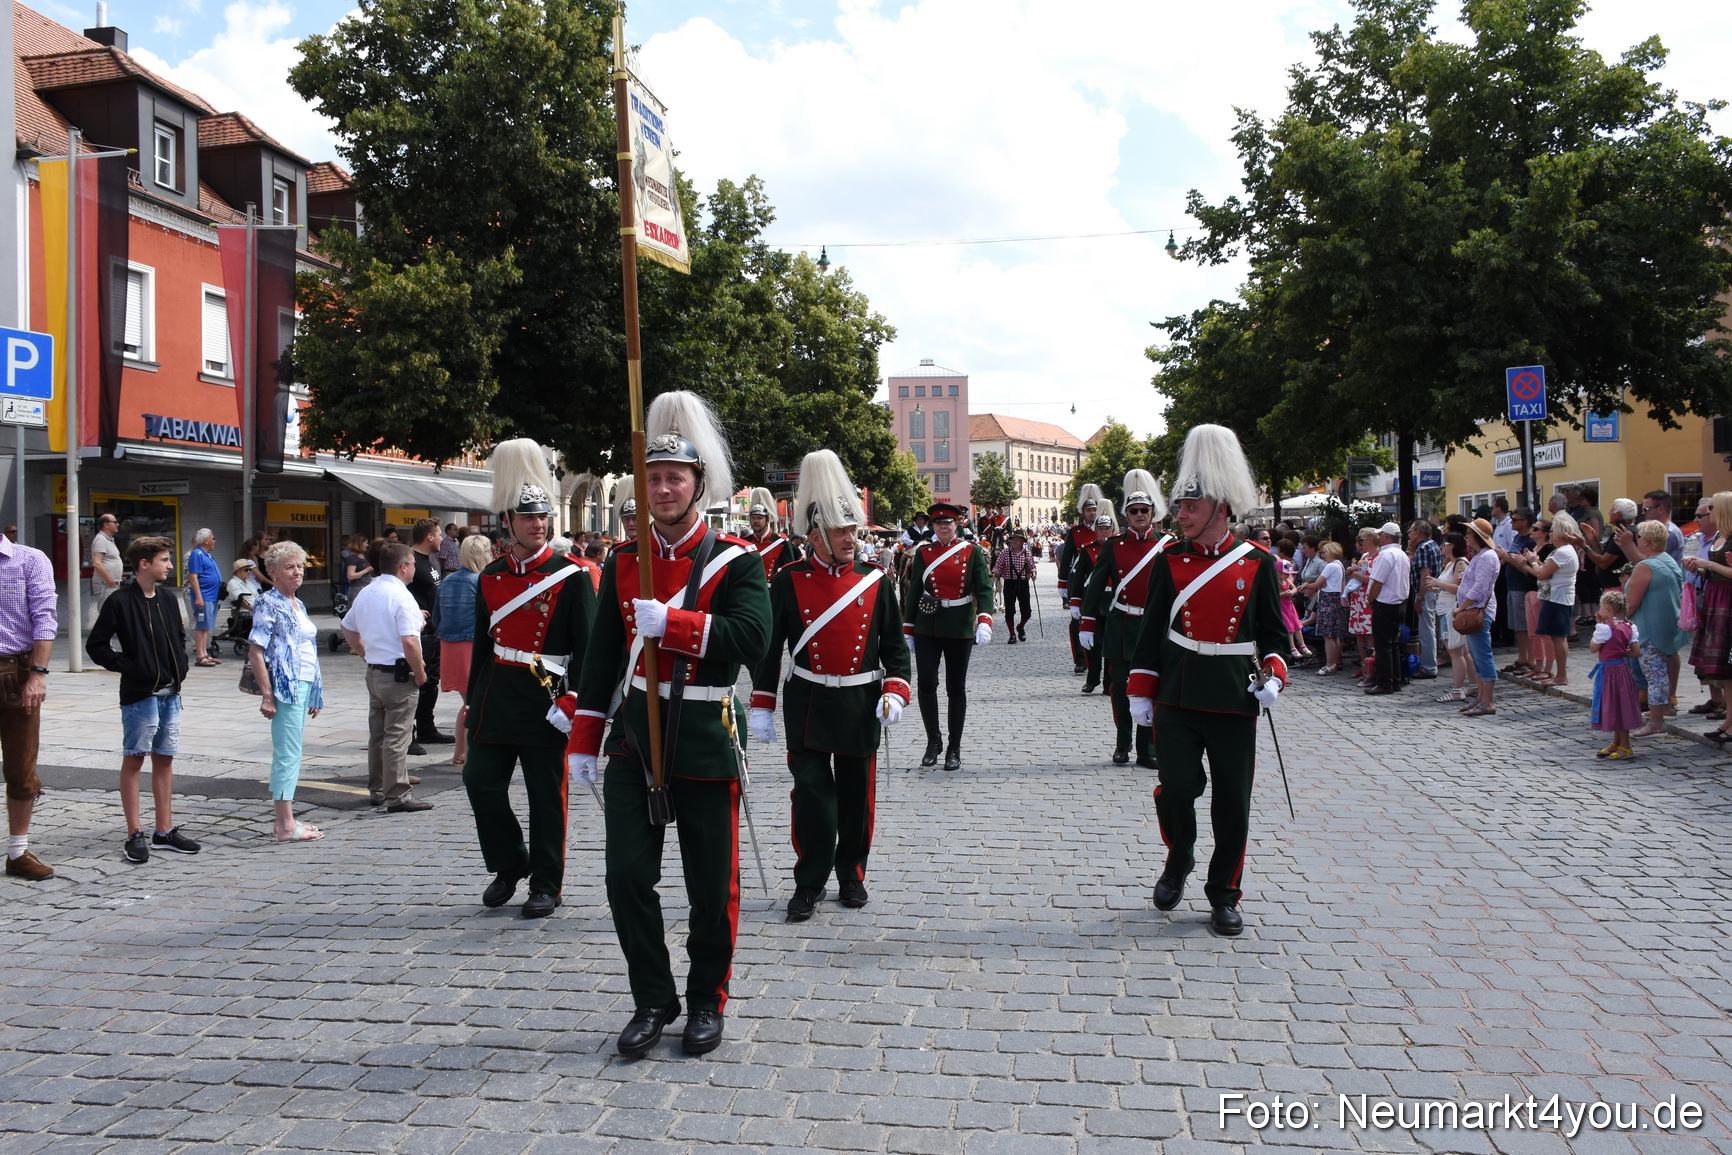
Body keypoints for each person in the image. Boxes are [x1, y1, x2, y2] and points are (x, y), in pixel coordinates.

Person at [565, 391, 770, 1059]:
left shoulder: (735, 561)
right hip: (635, 736)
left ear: (697, 484)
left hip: (707, 728)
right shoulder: (623, 563)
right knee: (625, 876)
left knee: (712, 885)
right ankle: (653, 997)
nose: (662, 487)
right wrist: (584, 738)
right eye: (652, 478)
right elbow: (600, 660)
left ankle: (707, 997)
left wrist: (675, 624)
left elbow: (752, 638)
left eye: (674, 477)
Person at [1124, 425, 1289, 937]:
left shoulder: (1257, 563)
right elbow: (1150, 632)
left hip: (1233, 698)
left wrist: (1276, 676)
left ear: (1219, 507)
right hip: (1176, 693)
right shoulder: (1169, 561)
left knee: (1232, 802)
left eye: (1190, 507)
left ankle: (1224, 894)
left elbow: (1274, 633)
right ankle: (1180, 859)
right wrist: (1139, 691)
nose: (1181, 514)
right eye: (1179, 506)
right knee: (1175, 790)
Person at [749, 450, 911, 922]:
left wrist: (895, 691)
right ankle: (809, 880)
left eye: (854, 530)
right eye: (841, 531)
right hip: (808, 702)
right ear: (815, 535)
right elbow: (769, 647)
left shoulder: (875, 581)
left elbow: (895, 648)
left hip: (861, 702)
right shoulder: (788, 580)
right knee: (812, 797)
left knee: (857, 796)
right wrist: (762, 703)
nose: (851, 539)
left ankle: (852, 874)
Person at [86, 536, 199, 862]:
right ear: (144, 564)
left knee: (164, 759)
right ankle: (134, 833)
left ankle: (164, 831)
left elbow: (179, 635)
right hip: (140, 696)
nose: (170, 566)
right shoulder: (120, 601)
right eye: (164, 560)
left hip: (170, 694)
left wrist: (180, 662)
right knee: (135, 759)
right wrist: (129, 667)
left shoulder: (166, 597)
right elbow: (97, 645)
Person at [1080, 470, 1171, 768]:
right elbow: (1095, 585)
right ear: (1126, 515)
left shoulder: (1168, 546)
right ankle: (1122, 744)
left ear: (1153, 513)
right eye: (1134, 511)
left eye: (1145, 510)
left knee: (1152, 686)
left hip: (1155, 628)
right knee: (1120, 688)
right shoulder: (1114, 545)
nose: (1140, 515)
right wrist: (1088, 622)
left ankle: (1148, 748)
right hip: (1122, 625)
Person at [340, 542, 433, 812]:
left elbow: (347, 627)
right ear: (403, 566)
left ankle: (378, 788)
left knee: (378, 736)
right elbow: (410, 642)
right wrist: (420, 672)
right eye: (413, 564)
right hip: (399, 673)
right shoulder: (402, 596)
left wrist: (363, 652)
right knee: (397, 736)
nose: (415, 568)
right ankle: (398, 795)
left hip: (375, 671)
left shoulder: (369, 591)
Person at [904, 501, 995, 770]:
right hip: (928, 626)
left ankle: (954, 747)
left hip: (959, 626)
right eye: (938, 523)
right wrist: (908, 627)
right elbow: (913, 592)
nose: (944, 526)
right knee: (926, 684)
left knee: (955, 688)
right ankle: (934, 741)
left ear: (957, 524)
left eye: (948, 522)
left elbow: (984, 588)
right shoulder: (923, 554)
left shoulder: (972, 552)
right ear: (932, 526)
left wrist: (984, 620)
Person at [247, 541, 326, 842]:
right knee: (288, 753)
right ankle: (285, 824)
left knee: (293, 751)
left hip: (302, 684)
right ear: (273, 572)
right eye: (290, 567)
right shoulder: (269, 602)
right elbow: (256, 651)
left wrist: (316, 692)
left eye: (300, 566)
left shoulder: (298, 603)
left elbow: (307, 649)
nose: (297, 572)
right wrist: (267, 695)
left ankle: (286, 821)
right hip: (286, 686)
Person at [0, 530, 58, 880]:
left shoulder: (29, 559)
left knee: (22, 768)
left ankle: (17, 852)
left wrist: (37, 674)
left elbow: (45, 617)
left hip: (17, 673)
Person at [1623, 519, 1685, 740]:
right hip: (1668, 625)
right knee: (1661, 673)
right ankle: (1664, 708)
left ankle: (1656, 722)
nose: (1636, 540)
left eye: (1638, 537)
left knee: (1655, 675)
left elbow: (1631, 604)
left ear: (1646, 541)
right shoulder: (1667, 560)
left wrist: (1613, 620)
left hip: (1649, 629)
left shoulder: (1646, 566)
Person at [436, 535, 491, 769]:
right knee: (476, 702)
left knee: (467, 702)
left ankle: (461, 752)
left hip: (449, 646)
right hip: (471, 645)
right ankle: (470, 753)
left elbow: (437, 616)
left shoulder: (448, 580)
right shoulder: (480, 581)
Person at [1686, 491, 1732, 742]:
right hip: (1716, 596)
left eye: (1713, 507)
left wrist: (1710, 566)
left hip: (1727, 600)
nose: (1708, 510)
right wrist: (1702, 569)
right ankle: (1728, 719)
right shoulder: (1720, 536)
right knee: (1722, 668)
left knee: (1727, 663)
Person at [1516, 511, 1580, 687]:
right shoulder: (1565, 551)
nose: (1550, 534)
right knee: (1556, 636)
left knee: (1557, 637)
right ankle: (1559, 674)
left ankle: (1561, 675)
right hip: (1556, 597)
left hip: (1557, 598)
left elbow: (1542, 574)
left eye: (1552, 531)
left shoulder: (1562, 553)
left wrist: (1534, 561)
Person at [407, 519, 450, 749]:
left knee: (432, 682)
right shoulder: (411, 562)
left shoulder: (428, 561)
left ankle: (427, 728)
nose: (442, 538)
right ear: (429, 537)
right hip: (420, 632)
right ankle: (409, 733)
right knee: (418, 683)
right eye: (439, 534)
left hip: (433, 631)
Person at [1068, 504, 1117, 693]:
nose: (1104, 532)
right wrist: (1075, 601)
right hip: (1094, 603)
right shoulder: (1087, 550)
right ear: (1095, 530)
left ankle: (1109, 683)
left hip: (1113, 602)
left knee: (1111, 646)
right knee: (1092, 644)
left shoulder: (1117, 548)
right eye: (1101, 529)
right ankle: (1093, 679)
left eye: (1107, 528)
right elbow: (1078, 578)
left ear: (1112, 530)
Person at [1456, 518, 1501, 717]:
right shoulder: (1481, 556)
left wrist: (1462, 607)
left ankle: (1487, 701)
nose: (1466, 537)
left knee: (1483, 656)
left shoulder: (1486, 557)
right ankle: (1482, 698)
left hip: (1478, 610)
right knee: (1477, 655)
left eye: (1470, 533)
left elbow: (1480, 588)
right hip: (1475, 609)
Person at [1425, 533, 1478, 703]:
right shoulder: (1451, 563)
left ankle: (1457, 690)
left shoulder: (1460, 563)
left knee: (1455, 651)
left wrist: (1437, 583)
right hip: (1445, 609)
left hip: (1451, 611)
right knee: (1462, 651)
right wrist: (1437, 588)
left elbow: (1459, 588)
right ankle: (1474, 685)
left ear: (1452, 545)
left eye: (1444, 543)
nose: (1441, 546)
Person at [1059, 485, 1106, 674]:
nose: (1092, 513)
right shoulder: (1075, 531)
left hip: (1102, 580)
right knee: (1077, 620)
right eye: (1089, 510)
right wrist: (1063, 582)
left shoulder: (1104, 528)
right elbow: (1067, 557)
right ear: (1083, 512)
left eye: (1095, 509)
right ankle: (1080, 659)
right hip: (1080, 580)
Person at [1589, 591, 1641, 759]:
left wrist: (1598, 625)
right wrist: (1619, 651)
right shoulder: (1629, 626)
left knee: (1617, 707)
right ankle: (1616, 742)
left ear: (1607, 608)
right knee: (1618, 705)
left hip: (1610, 673)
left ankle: (1625, 746)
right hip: (1622, 670)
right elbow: (1636, 652)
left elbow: (1593, 647)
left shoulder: (1605, 629)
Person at [1364, 522, 1410, 695]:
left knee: (1383, 645)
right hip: (1399, 603)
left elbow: (1377, 582)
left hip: (1385, 604)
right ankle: (1395, 680)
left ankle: (1384, 683)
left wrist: (1370, 599)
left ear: (1386, 536)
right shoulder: (1402, 555)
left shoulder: (1385, 555)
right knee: (1393, 644)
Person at [1495, 509, 1537, 676]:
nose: (1511, 522)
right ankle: (1522, 657)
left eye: (1514, 520)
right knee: (1517, 626)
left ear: (1524, 522)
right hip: (1512, 585)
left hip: (1522, 585)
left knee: (1526, 625)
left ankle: (1531, 659)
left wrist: (1507, 557)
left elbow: (1527, 568)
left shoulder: (1530, 541)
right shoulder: (1518, 537)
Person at [1307, 541, 1348, 675]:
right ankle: (1334, 662)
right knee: (1334, 635)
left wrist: (1305, 586)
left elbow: (1317, 584)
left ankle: (1329, 664)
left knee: (1328, 635)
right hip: (1336, 600)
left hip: (1328, 600)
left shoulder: (1330, 566)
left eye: (1324, 552)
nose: (1322, 555)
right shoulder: (1339, 565)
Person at [1407, 521, 1440, 680]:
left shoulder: (1423, 548)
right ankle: (1429, 665)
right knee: (1429, 628)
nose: (1409, 533)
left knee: (1426, 630)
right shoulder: (1433, 544)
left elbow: (1424, 576)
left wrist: (1419, 597)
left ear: (1418, 532)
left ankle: (1428, 667)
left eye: (1411, 530)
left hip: (1426, 592)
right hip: (1431, 592)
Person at [743, 488, 799, 582]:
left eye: (760, 518)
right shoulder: (744, 542)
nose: (756, 521)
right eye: (753, 518)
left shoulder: (781, 542)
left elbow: (789, 573)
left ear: (767, 520)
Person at [991, 527, 1036, 642]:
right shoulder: (1005, 552)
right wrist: (994, 574)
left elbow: (1032, 566)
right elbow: (998, 566)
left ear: (1022, 542)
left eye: (1018, 539)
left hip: (1023, 584)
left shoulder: (1027, 553)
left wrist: (1034, 573)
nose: (1015, 541)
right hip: (1010, 583)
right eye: (1014, 539)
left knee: (1027, 612)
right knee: (1009, 610)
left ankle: (1020, 627)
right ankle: (1012, 634)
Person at [1345, 528, 1378, 686]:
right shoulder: (1365, 556)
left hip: (1368, 598)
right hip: (1358, 598)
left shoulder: (1378, 557)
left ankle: (1371, 667)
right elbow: (1359, 571)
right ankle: (1363, 664)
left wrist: (1353, 574)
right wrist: (1354, 570)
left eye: (1362, 540)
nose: (1360, 544)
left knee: (1369, 633)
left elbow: (1370, 579)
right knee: (1359, 633)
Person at [186, 529, 223, 666]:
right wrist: (198, 597)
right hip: (204, 596)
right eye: (213, 538)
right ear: (206, 540)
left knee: (206, 626)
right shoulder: (197, 554)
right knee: (201, 626)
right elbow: (193, 577)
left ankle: (205, 653)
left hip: (211, 596)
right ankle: (201, 656)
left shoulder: (206, 555)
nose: (215, 541)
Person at [1274, 541, 1309, 661]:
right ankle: (1292, 647)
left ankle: (1302, 645)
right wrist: (1284, 593)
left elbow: (1294, 588)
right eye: (1285, 574)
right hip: (1282, 606)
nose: (1287, 576)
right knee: (1289, 627)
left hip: (1289, 605)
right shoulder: (1276, 582)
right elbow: (1274, 595)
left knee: (1297, 625)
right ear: (1278, 573)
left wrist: (1292, 592)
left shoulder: (1286, 581)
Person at [90, 512, 122, 612]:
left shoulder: (109, 540)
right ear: (106, 525)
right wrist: (109, 580)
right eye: (115, 522)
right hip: (105, 584)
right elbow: (97, 563)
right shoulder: (101, 540)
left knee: (112, 614)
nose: (117, 524)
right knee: (107, 613)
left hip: (110, 584)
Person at [340, 533, 373, 600]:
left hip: (367, 585)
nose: (367, 545)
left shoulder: (365, 555)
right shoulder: (352, 558)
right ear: (359, 544)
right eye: (365, 543)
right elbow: (350, 576)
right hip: (358, 588)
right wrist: (366, 570)